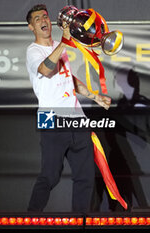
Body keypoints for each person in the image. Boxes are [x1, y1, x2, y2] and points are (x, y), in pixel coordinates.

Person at [25, 4, 111, 212]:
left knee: (85, 177)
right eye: (38, 19)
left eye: (45, 17)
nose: (44, 21)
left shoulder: (58, 45)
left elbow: (67, 78)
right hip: (51, 118)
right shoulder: (33, 50)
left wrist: (95, 96)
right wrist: (63, 43)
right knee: (50, 176)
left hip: (77, 118)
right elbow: (46, 70)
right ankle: (29, 219)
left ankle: (79, 221)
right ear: (31, 27)